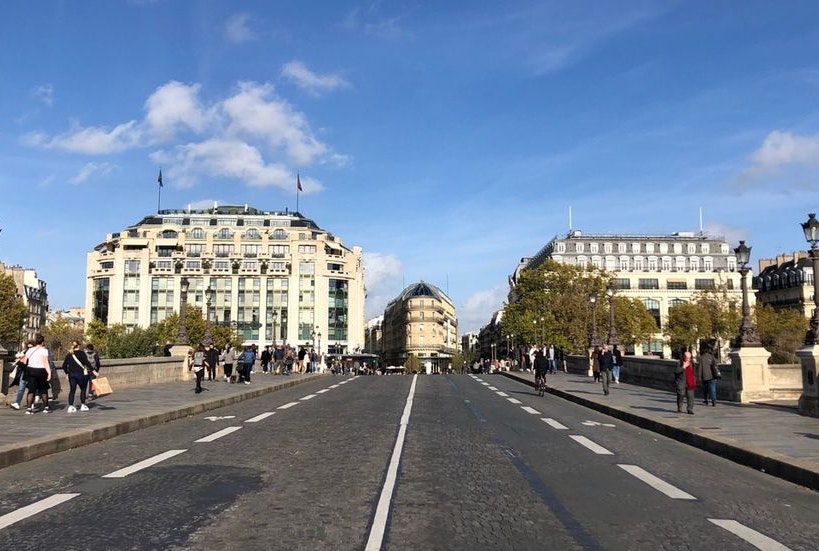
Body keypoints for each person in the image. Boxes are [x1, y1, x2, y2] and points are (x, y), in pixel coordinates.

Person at [62, 340, 99, 412]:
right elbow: (87, 363)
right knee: (83, 389)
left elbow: (64, 366)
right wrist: (94, 371)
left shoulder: (69, 354)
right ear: (79, 345)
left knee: (72, 390)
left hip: (71, 375)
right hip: (80, 374)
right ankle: (83, 405)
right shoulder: (82, 354)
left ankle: (70, 406)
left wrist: (67, 373)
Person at [24, 334, 52, 414]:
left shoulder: (30, 350)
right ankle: (46, 407)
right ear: (42, 342)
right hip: (41, 370)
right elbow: (45, 362)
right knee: (43, 390)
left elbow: (25, 361)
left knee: (31, 390)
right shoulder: (44, 350)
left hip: (31, 370)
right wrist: (49, 373)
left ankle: (29, 409)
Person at [8, 343, 32, 410]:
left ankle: (31, 402)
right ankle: (17, 403)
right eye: (28, 346)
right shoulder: (24, 352)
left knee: (32, 388)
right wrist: (18, 361)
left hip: (31, 373)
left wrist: (21, 360)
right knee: (21, 388)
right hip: (24, 373)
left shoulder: (32, 354)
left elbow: (26, 362)